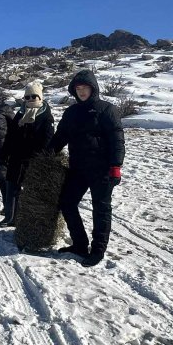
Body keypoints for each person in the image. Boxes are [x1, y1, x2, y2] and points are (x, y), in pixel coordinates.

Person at [49, 69, 125, 267]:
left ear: (93, 88)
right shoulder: (71, 112)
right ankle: (80, 244)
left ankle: (98, 250)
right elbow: (60, 137)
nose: (82, 92)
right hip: (78, 169)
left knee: (101, 210)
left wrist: (116, 166)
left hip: (102, 171)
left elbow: (117, 139)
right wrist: (47, 154)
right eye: (78, 88)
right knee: (67, 203)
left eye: (85, 88)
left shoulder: (107, 110)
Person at [0, 83, 54, 227]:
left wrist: (41, 158)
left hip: (33, 160)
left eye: (33, 96)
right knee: (11, 189)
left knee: (30, 191)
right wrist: (4, 153)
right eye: (27, 97)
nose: (30, 99)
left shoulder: (46, 116)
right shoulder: (20, 114)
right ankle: (10, 218)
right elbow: (10, 135)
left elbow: (47, 139)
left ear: (40, 97)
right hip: (16, 158)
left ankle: (28, 223)